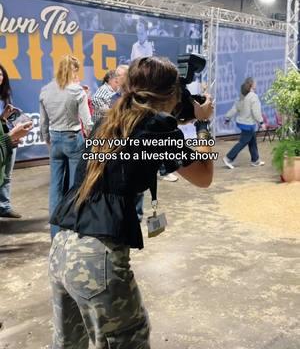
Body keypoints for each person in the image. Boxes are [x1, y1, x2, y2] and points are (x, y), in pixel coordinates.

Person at [49, 56, 214, 349]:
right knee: (129, 341)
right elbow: (204, 176)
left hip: (62, 248)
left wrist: (184, 113)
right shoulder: (156, 127)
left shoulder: (110, 118)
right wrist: (203, 124)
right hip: (97, 261)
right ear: (172, 94)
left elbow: (152, 128)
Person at [39, 55, 93, 238]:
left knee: (55, 189)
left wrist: (48, 141)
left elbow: (43, 123)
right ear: (73, 69)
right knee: (74, 188)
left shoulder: (45, 90)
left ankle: (55, 234)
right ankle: (72, 232)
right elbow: (88, 123)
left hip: (55, 141)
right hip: (73, 139)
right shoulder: (77, 91)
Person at [223, 77, 265, 169]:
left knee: (252, 141)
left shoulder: (241, 96)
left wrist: (227, 118)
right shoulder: (253, 97)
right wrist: (261, 122)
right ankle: (228, 158)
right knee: (242, 142)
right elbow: (256, 112)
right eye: (255, 83)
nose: (256, 84)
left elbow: (234, 109)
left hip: (242, 123)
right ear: (252, 85)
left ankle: (255, 160)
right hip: (248, 125)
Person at [0, 64, 23, 219]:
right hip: (2, 140)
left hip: (8, 138)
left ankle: (4, 206)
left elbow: (3, 121)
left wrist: (10, 116)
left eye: (1, 74)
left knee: (7, 175)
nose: (0, 77)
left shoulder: (4, 96)